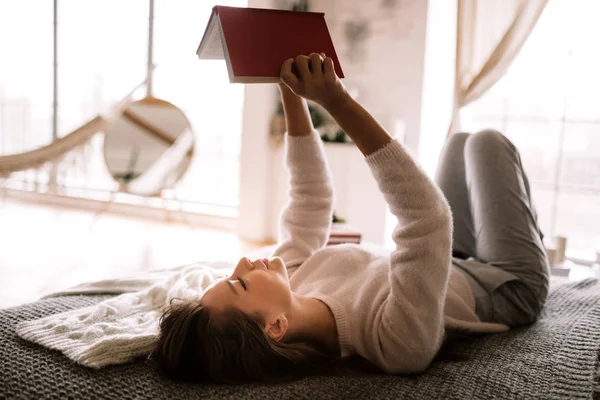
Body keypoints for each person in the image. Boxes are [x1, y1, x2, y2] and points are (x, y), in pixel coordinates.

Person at [149, 53, 550, 383]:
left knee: (459, 143)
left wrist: (290, 92)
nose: (243, 262)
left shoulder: (292, 278)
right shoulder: (395, 343)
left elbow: (310, 201)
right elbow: (426, 220)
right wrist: (337, 102)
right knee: (485, 143)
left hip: (450, 259)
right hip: (505, 283)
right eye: (238, 282)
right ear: (275, 327)